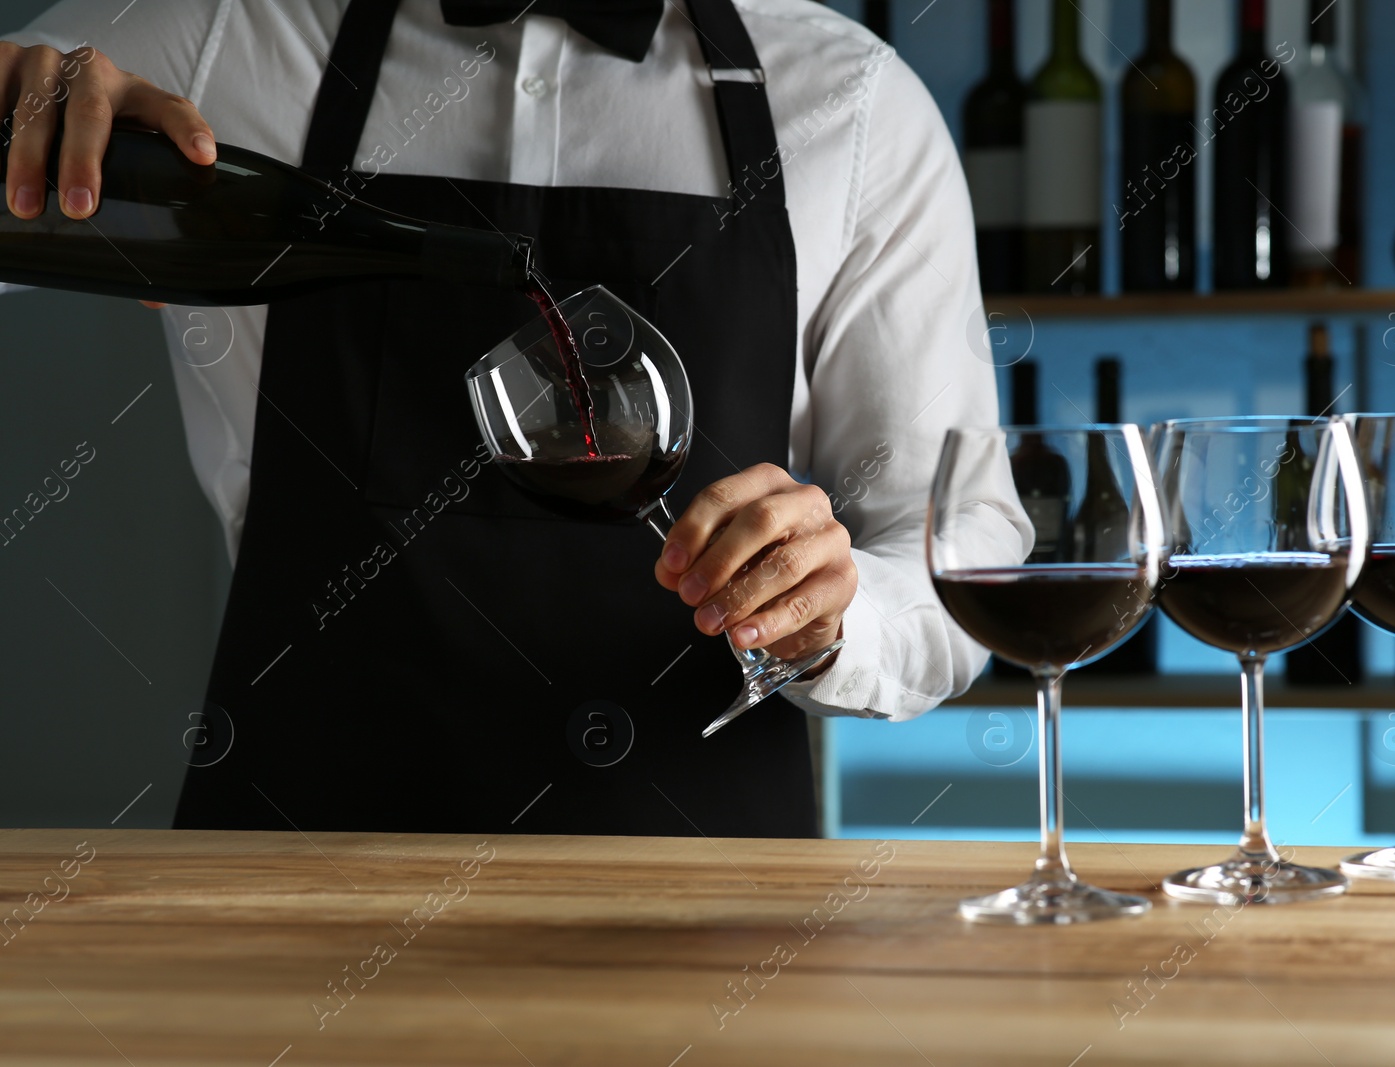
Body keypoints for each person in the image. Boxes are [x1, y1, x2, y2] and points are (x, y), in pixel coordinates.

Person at [1, 0, 1024, 836]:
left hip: (705, 896)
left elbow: (962, 550)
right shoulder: (219, 38)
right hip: (291, 878)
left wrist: (837, 609)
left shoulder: (852, 105)